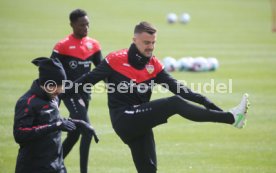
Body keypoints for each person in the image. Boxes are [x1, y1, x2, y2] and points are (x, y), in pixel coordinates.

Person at [70, 21, 250, 173]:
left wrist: (205, 101)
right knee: (174, 104)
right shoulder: (115, 59)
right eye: (146, 42)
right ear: (135, 40)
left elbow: (178, 88)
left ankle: (231, 117)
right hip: (123, 119)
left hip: (140, 121)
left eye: (153, 42)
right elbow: (87, 80)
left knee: (149, 170)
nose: (150, 47)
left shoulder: (154, 65)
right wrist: (59, 93)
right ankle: (232, 118)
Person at [13, 57, 98, 173]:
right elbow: (20, 134)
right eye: (58, 85)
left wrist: (80, 123)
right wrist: (55, 126)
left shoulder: (54, 97)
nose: (61, 90)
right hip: (34, 167)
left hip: (57, 166)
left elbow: (53, 121)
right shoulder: (27, 102)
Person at [50, 9, 103, 173]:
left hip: (85, 95)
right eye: (81, 25)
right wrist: (55, 99)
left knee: (75, 133)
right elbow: (51, 72)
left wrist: (118, 87)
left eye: (87, 24)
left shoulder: (93, 44)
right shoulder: (62, 46)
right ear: (72, 25)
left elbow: (102, 70)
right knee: (87, 130)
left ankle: (51, 165)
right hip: (70, 93)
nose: (86, 28)